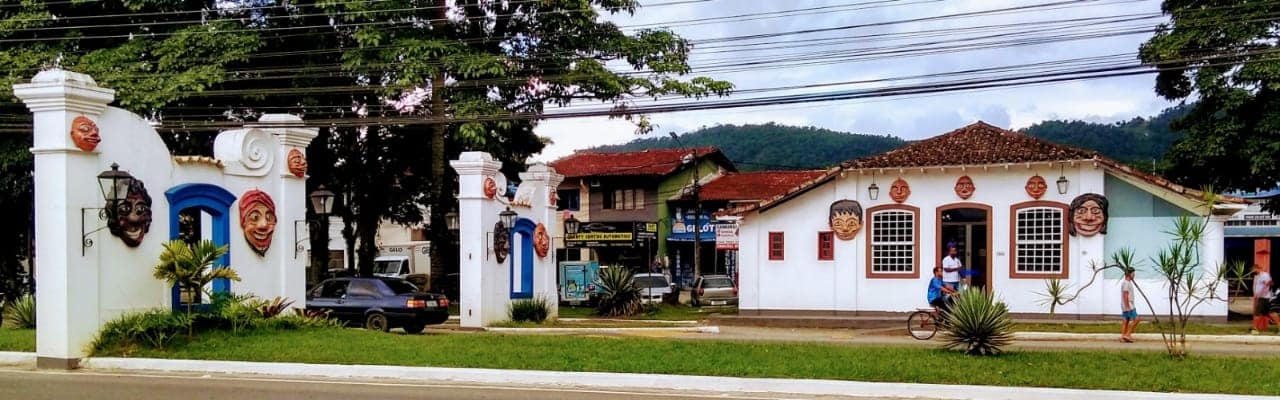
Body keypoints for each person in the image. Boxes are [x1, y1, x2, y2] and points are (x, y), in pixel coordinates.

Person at [1119, 268, 1139, 343]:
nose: (1134, 275)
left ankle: (1122, 337)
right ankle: (1127, 335)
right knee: (1136, 319)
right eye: (1133, 274)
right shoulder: (1126, 283)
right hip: (1129, 305)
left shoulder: (1126, 282)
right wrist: (1127, 307)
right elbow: (1125, 294)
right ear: (1129, 274)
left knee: (1126, 320)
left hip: (1125, 305)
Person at [1253, 263, 1273, 334]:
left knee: (1258, 313)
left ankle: (1255, 329)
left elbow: (1269, 284)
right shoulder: (1258, 276)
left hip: (1264, 297)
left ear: (1258, 268)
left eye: (1254, 269)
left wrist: (1262, 292)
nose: (1253, 270)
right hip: (1262, 297)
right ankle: (1256, 328)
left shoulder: (1264, 275)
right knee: (1267, 314)